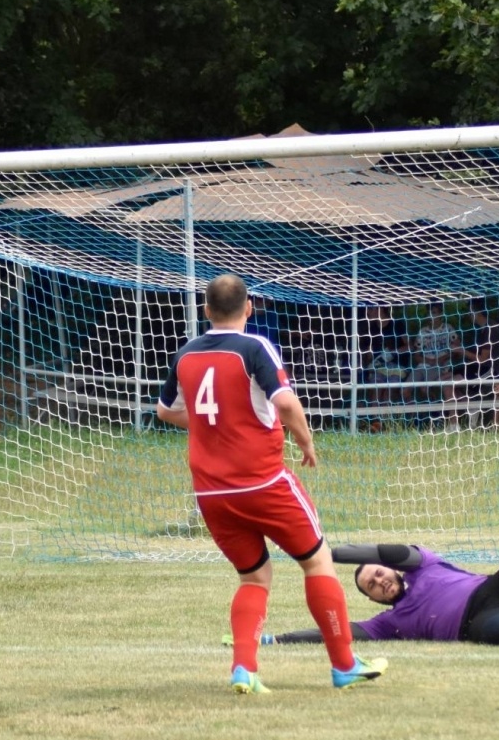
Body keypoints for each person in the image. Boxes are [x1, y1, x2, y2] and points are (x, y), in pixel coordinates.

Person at [156, 273, 388, 695]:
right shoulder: (255, 347)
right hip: (262, 482)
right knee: (317, 563)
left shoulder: (186, 354)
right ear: (248, 309)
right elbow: (283, 401)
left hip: (211, 493)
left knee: (254, 578)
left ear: (206, 311)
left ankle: (244, 669)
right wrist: (305, 439)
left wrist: (217, 422)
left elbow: (165, 411)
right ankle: (344, 665)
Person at [263, 525, 499, 649]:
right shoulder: (390, 622)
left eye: (378, 573)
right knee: (498, 632)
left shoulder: (422, 563)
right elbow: (338, 631)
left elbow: (384, 550)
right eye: (371, 585)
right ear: (371, 598)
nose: (379, 579)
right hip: (481, 622)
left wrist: (320, 554)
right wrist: (277, 640)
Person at [409, 305, 462, 404]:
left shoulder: (448, 328)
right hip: (424, 365)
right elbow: (416, 355)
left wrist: (444, 358)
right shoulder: (423, 331)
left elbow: (458, 349)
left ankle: (435, 413)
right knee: (405, 390)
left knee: (424, 388)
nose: (430, 316)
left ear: (441, 314)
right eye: (429, 313)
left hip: (440, 366)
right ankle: (411, 417)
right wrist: (430, 361)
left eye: (434, 313)